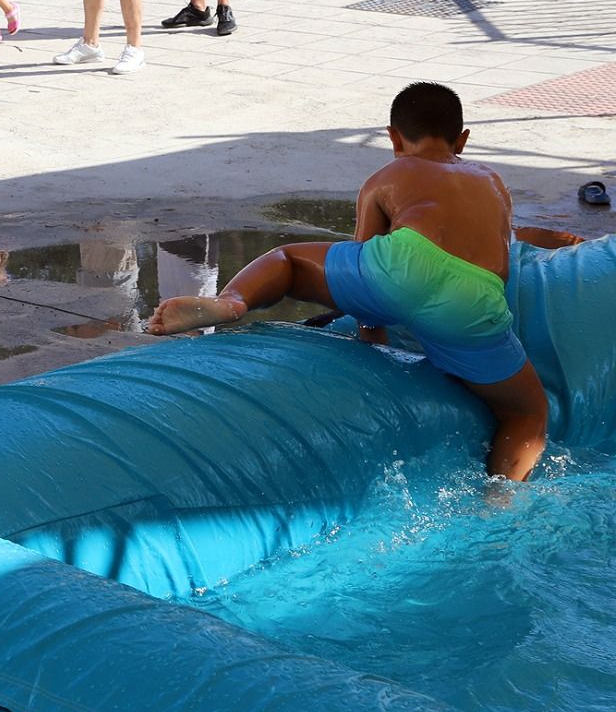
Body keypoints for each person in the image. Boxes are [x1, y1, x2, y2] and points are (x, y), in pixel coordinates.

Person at [148, 82, 550, 484]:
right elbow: (501, 255)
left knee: (287, 260)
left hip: (402, 265)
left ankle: (231, 303)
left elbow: (364, 258)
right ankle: (500, 500)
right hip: (476, 296)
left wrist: (371, 340)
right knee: (527, 412)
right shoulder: (492, 180)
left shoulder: (388, 175)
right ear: (463, 139)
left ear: (393, 137)